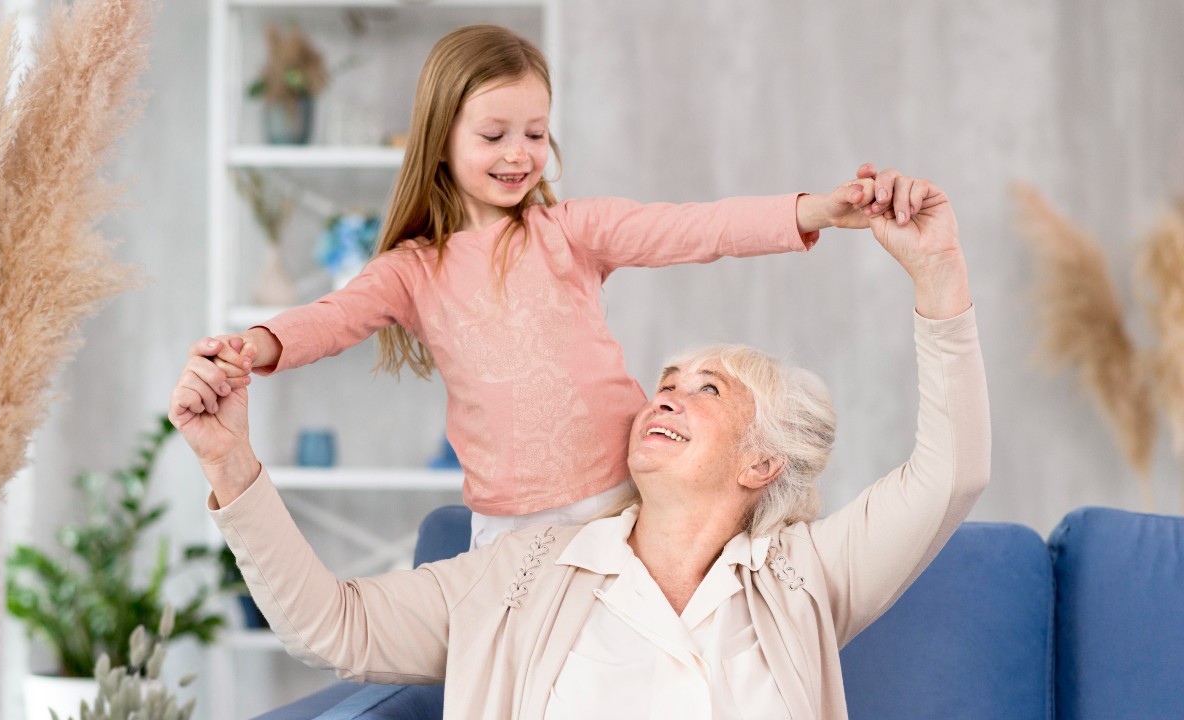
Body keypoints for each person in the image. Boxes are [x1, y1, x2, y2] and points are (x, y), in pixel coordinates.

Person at [171, 171, 989, 718]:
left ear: (761, 463)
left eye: (709, 388)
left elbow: (952, 473)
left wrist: (938, 274)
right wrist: (230, 465)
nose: (667, 392)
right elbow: (331, 627)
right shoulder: (520, 575)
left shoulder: (805, 577)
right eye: (666, 379)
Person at [196, 24, 893, 547]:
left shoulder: (570, 231)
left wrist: (816, 211)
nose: (518, 154)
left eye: (534, 133)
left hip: (622, 501)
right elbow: (334, 317)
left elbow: (695, 228)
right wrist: (258, 344)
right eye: (493, 134)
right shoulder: (413, 270)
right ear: (441, 139)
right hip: (507, 525)